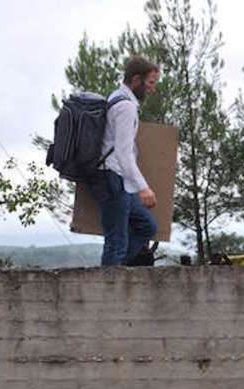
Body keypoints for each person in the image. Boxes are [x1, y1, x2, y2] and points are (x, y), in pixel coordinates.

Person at [88, 56, 160, 267]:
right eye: (150, 83)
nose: (152, 89)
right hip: (111, 177)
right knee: (116, 242)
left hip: (117, 179)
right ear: (136, 80)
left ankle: (120, 270)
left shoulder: (116, 97)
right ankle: (110, 281)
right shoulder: (126, 107)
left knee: (147, 226)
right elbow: (123, 153)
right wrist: (143, 187)